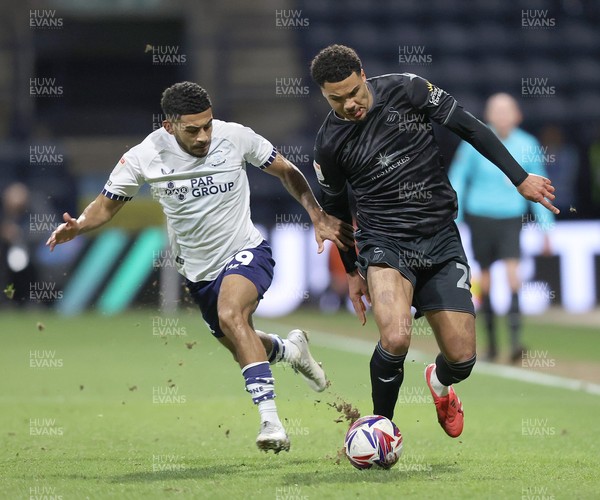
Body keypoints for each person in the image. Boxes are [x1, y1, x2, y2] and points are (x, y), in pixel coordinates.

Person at [46, 81, 354, 453]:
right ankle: (292, 352)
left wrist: (317, 214)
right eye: (193, 129)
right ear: (169, 126)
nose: (204, 135)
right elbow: (107, 205)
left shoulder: (235, 137)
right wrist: (79, 225)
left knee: (231, 314)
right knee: (241, 340)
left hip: (246, 251)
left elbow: (287, 171)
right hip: (198, 273)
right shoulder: (146, 155)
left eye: (207, 124)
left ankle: (271, 422)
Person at [309, 45, 559, 438]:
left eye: (354, 92)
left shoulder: (408, 89)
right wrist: (352, 270)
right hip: (384, 242)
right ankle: (381, 429)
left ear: (362, 72)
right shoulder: (329, 144)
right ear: (324, 94)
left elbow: (472, 128)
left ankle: (440, 384)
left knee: (461, 359)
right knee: (395, 336)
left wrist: (520, 178)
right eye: (335, 99)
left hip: (439, 237)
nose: (349, 104)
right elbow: (337, 213)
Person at [449, 94, 555, 363]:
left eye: (507, 110)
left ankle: (516, 342)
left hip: (511, 218)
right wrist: (454, 217)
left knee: (512, 274)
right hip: (480, 215)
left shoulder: (527, 144)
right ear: (488, 114)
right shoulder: (476, 141)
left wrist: (546, 227)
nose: (502, 115)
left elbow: (540, 187)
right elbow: (459, 178)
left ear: (517, 115)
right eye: (497, 110)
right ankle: (492, 345)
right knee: (484, 278)